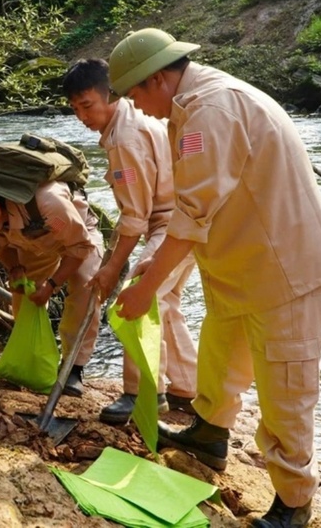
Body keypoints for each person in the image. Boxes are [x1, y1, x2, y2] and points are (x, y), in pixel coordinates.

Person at [106, 28, 321, 528]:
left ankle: (294, 503)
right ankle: (210, 433)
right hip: (245, 266)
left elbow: (193, 212)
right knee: (220, 359)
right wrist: (155, 265)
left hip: (285, 273)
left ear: (157, 80)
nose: (136, 108)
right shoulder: (196, 104)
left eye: (134, 95)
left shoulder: (209, 111)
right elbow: (199, 205)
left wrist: (146, 289)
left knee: (285, 391)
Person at [62, 58, 198, 424]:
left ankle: (141, 394)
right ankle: (188, 389)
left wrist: (111, 269)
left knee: (138, 297)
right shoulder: (132, 118)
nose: (82, 117)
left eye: (87, 105)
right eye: (75, 109)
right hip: (184, 218)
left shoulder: (125, 138)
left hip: (174, 222)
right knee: (166, 302)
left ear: (110, 94)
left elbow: (135, 218)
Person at [0, 175, 104, 397]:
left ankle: (74, 367)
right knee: (24, 299)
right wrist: (15, 268)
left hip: (76, 235)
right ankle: (29, 362)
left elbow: (80, 247)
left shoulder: (49, 203)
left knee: (84, 287)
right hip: (32, 241)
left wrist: (52, 285)